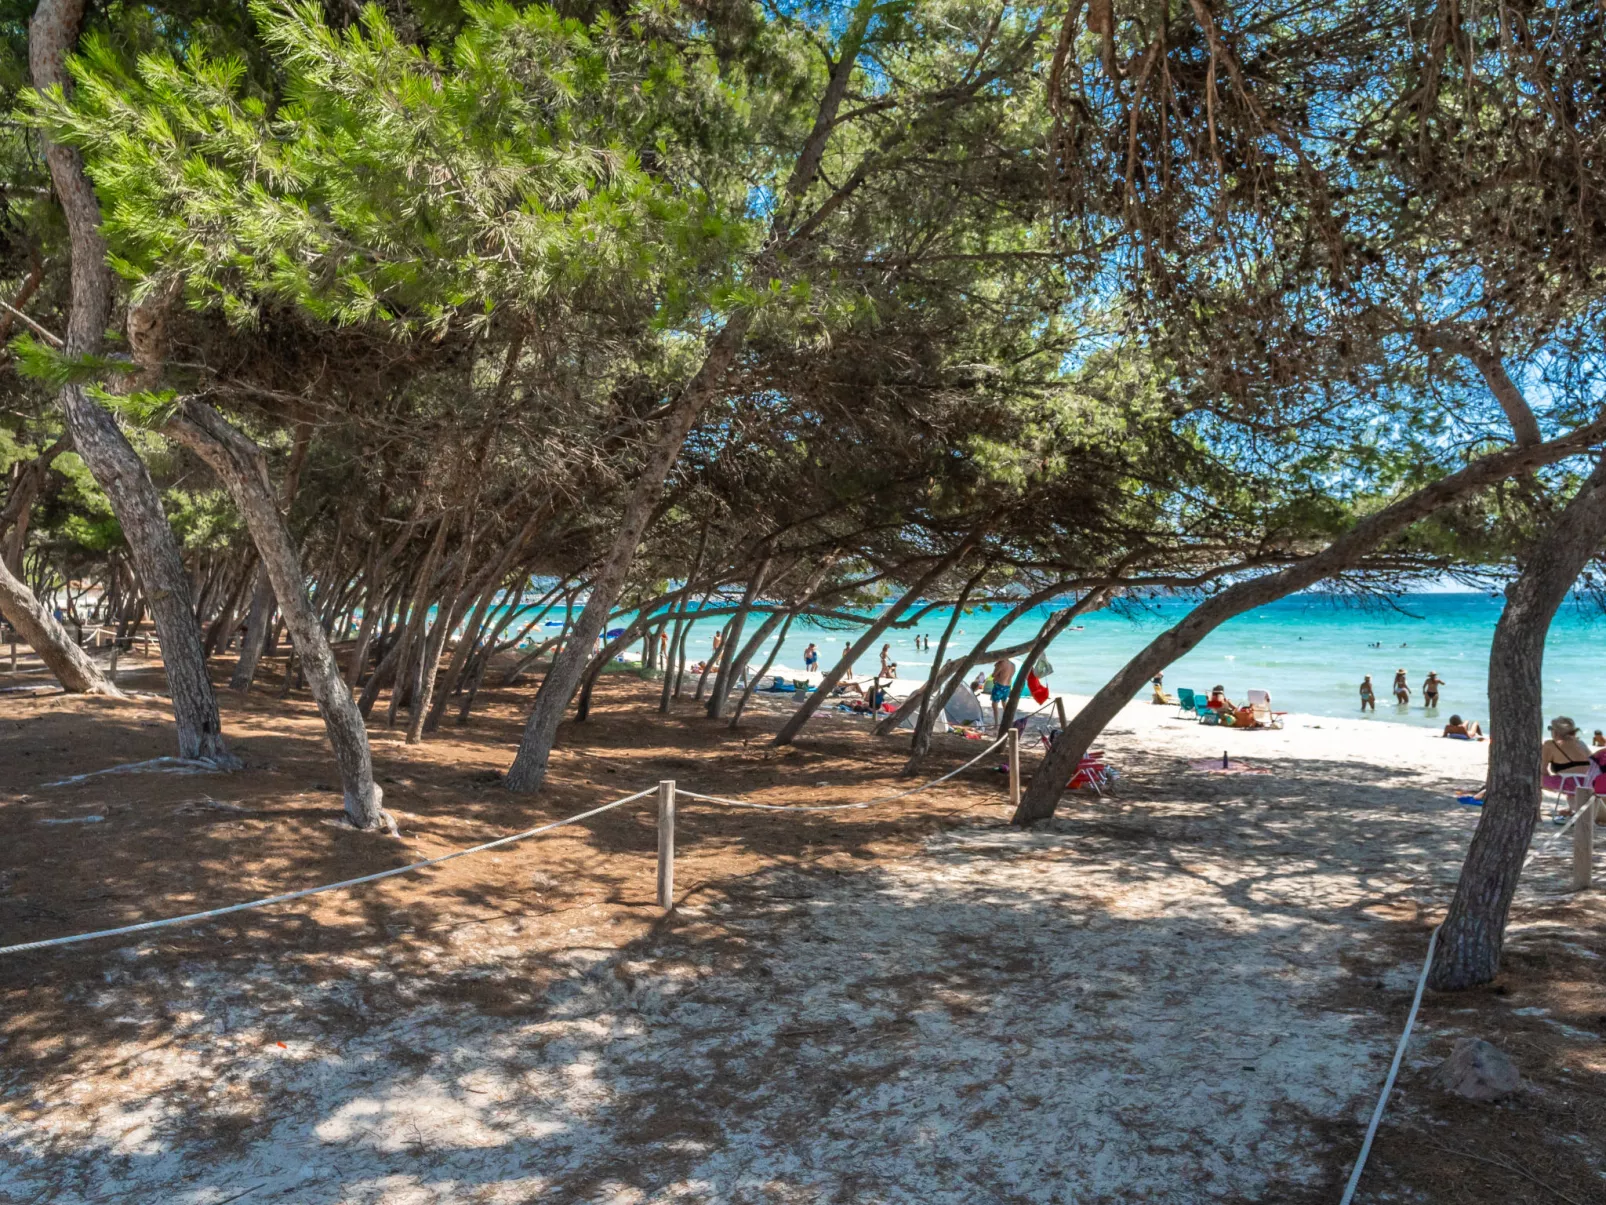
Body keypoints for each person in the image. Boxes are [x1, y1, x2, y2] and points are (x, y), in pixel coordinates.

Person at [1541, 717, 1594, 803]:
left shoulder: (1550, 745)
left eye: (1550, 728)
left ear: (1555, 732)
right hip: (1588, 783)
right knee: (1570, 778)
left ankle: (1535, 813)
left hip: (1571, 785)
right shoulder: (1580, 743)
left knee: (1535, 780)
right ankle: (1573, 809)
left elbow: (1542, 769)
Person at [990, 656, 1016, 729]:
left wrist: (996, 667)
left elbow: (993, 675)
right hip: (1007, 686)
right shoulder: (1013, 665)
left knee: (994, 705)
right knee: (1004, 703)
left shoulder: (1001, 664)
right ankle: (1008, 722)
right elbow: (1009, 675)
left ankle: (996, 724)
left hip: (999, 686)